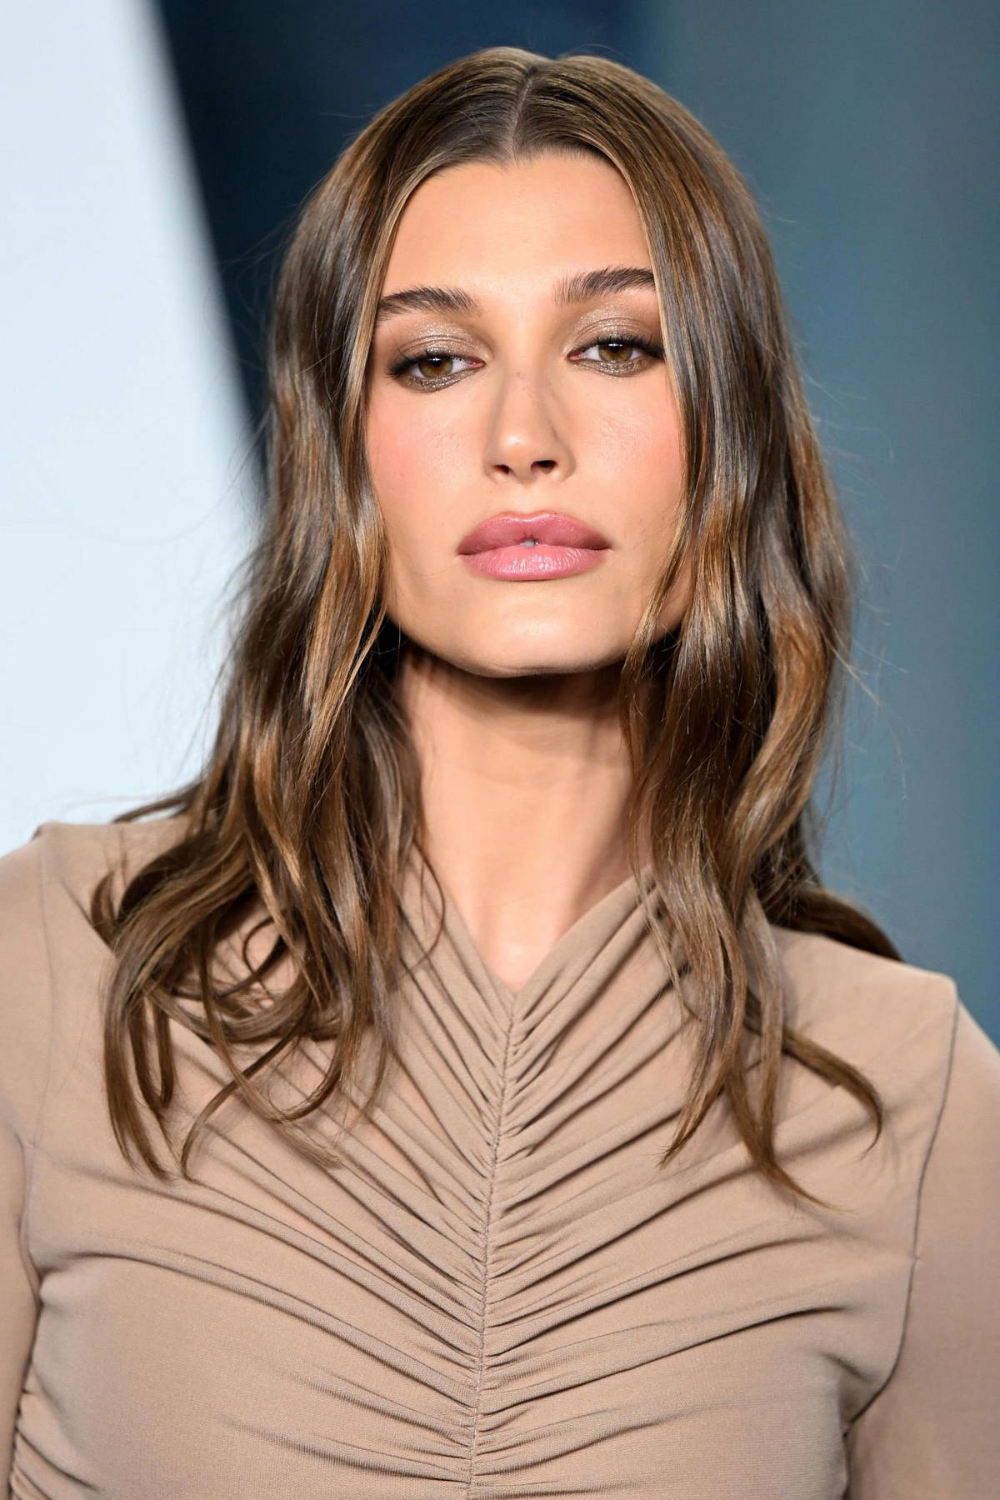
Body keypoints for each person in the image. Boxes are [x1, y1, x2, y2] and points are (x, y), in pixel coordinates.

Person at [1, 43, 998, 1500]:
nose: (523, 439)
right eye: (435, 360)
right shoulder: (59, 969)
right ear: (341, 450)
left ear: (728, 438)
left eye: (615, 347)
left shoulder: (911, 1100)